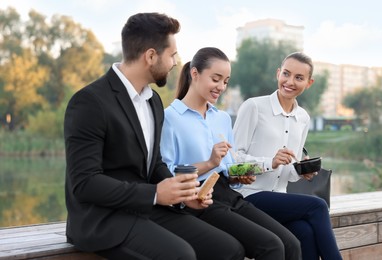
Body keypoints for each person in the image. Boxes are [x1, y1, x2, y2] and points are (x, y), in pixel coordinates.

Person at [64, 12, 246, 260]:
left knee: (228, 249)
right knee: (181, 255)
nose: (175, 63)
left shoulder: (153, 102)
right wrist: (155, 194)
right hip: (102, 218)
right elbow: (84, 184)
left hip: (146, 207)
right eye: (172, 55)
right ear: (150, 56)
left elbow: (156, 163)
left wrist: (186, 196)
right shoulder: (89, 102)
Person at [160, 47, 302, 260]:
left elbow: (229, 168)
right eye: (216, 79)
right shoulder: (169, 118)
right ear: (195, 73)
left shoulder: (222, 118)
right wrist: (209, 162)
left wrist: (242, 175)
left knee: (291, 244)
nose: (221, 87)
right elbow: (167, 173)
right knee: (270, 246)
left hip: (230, 194)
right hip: (200, 200)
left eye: (225, 81)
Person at [233, 52, 342, 260]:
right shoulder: (253, 107)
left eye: (299, 78)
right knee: (318, 206)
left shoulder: (303, 118)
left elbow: (288, 174)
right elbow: (233, 164)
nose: (290, 82)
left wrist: (300, 171)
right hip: (248, 196)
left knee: (306, 232)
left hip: (279, 199)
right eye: (286, 74)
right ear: (278, 74)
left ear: (309, 83)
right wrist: (269, 162)